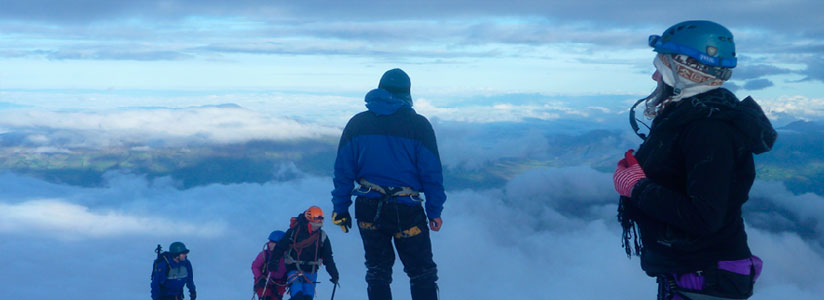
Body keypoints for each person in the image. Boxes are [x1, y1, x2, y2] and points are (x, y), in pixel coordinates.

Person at [614, 20, 777, 300]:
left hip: (705, 277)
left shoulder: (708, 129)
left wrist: (637, 187)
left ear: (684, 71)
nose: (655, 77)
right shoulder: (694, 117)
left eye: (660, 67)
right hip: (699, 274)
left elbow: (704, 216)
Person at [331, 68, 445, 300]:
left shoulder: (357, 124)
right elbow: (432, 173)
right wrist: (434, 211)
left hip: (368, 209)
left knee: (377, 272)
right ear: (408, 92)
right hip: (406, 209)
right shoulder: (419, 125)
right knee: (422, 273)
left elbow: (343, 171)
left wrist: (340, 209)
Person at [268, 206, 339, 300]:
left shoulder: (322, 236)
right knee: (298, 297)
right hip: (294, 269)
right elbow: (281, 247)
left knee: (307, 298)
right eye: (314, 224)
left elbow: (328, 257)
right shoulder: (294, 232)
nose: (316, 227)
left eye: (318, 225)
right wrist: (274, 261)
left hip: (311, 272)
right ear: (308, 221)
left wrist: (334, 273)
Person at [252, 230, 288, 300]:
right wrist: (260, 277)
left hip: (279, 284)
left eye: (273, 243)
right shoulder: (265, 255)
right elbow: (255, 267)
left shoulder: (287, 257)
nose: (270, 244)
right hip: (265, 280)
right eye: (270, 242)